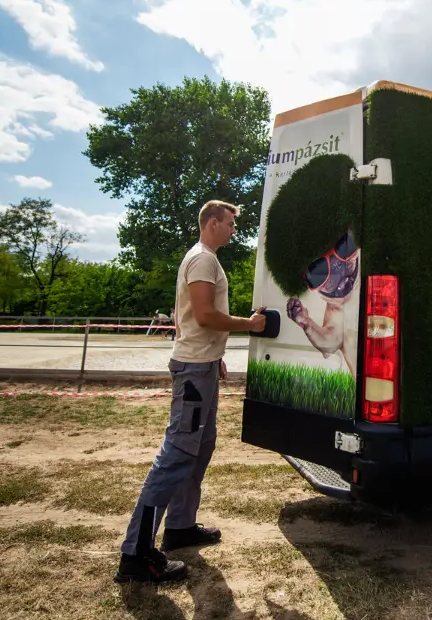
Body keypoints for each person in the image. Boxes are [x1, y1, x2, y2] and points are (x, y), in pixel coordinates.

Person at [115, 200, 267, 584]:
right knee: (177, 455)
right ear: (212, 222)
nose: (234, 229)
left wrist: (213, 354)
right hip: (193, 371)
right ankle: (136, 554)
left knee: (199, 447)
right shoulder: (203, 259)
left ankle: (180, 528)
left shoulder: (205, 258)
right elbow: (203, 314)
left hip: (202, 365)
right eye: (230, 223)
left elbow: (189, 320)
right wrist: (250, 324)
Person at [285, 227, 359, 376]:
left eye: (345, 247)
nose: (338, 268)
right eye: (319, 273)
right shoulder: (336, 310)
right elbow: (329, 344)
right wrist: (306, 323)